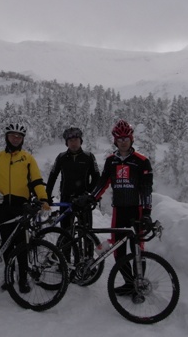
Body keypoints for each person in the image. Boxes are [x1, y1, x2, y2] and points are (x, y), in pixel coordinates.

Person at [0, 122, 51, 293]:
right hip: (3, 206)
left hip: (22, 207)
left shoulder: (28, 158)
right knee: (6, 243)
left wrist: (43, 198)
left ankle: (22, 278)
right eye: (13, 135)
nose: (16, 138)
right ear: (7, 137)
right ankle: (8, 276)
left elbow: (36, 181)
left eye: (19, 136)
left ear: (22, 139)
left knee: (21, 244)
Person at [91, 119, 153, 302]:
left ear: (132, 138)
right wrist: (90, 198)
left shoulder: (142, 161)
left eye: (126, 138)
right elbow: (102, 184)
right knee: (119, 251)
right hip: (118, 211)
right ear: (115, 140)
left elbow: (147, 189)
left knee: (138, 250)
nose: (123, 141)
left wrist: (147, 212)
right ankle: (128, 283)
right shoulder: (111, 161)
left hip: (137, 211)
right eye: (119, 138)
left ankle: (139, 285)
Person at [46, 127, 100, 229]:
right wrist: (47, 195)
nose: (73, 143)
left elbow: (96, 177)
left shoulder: (89, 157)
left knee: (86, 233)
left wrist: (90, 193)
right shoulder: (61, 157)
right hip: (66, 199)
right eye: (70, 141)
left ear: (81, 141)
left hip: (84, 200)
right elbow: (52, 176)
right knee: (65, 233)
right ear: (67, 143)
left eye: (76, 140)